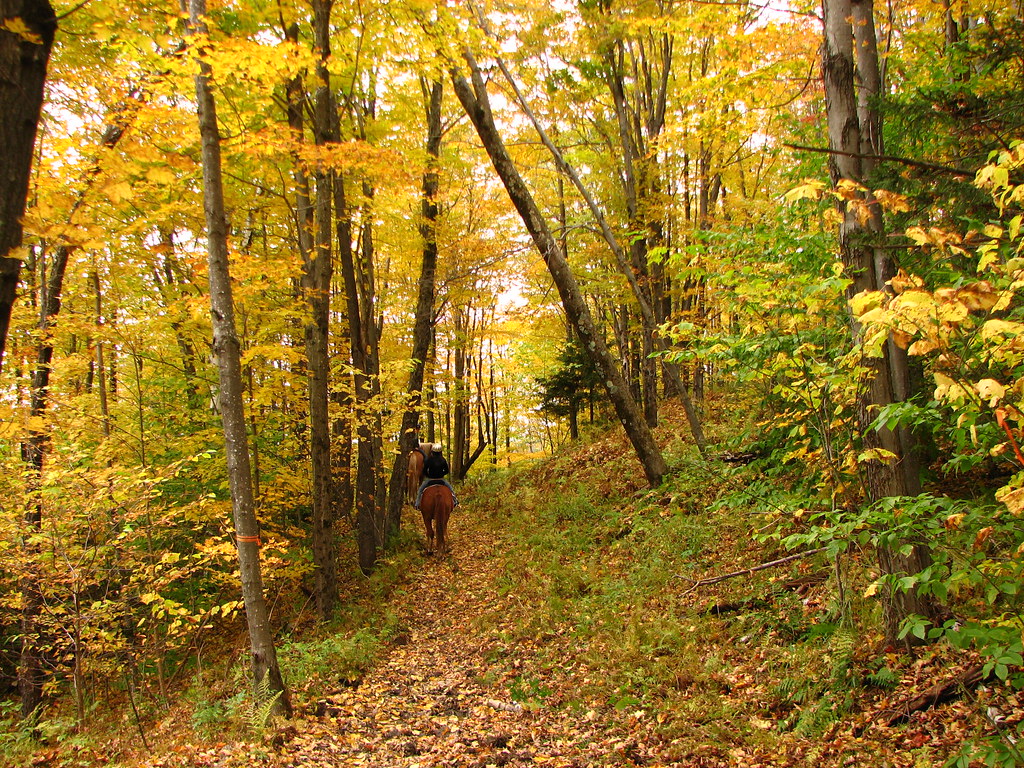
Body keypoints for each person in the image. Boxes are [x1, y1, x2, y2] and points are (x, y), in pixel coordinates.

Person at [414, 443, 458, 509]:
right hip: (441, 480)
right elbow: (447, 471)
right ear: (440, 452)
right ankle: (455, 501)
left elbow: (424, 470)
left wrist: (428, 475)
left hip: (430, 480)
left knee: (420, 490)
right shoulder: (443, 460)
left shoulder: (429, 460)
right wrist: (441, 474)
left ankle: (417, 504)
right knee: (451, 489)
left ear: (432, 451)